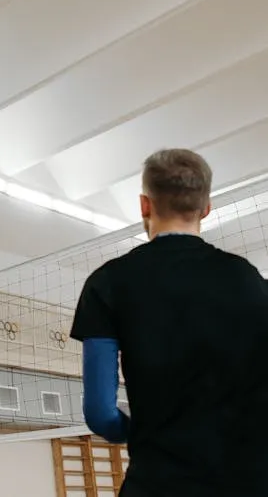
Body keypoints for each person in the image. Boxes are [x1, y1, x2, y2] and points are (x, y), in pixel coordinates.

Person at [71, 148, 268, 496]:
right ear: (206, 208)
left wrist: (151, 433)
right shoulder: (250, 281)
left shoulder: (108, 283)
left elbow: (100, 413)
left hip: (158, 481)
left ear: (145, 205)